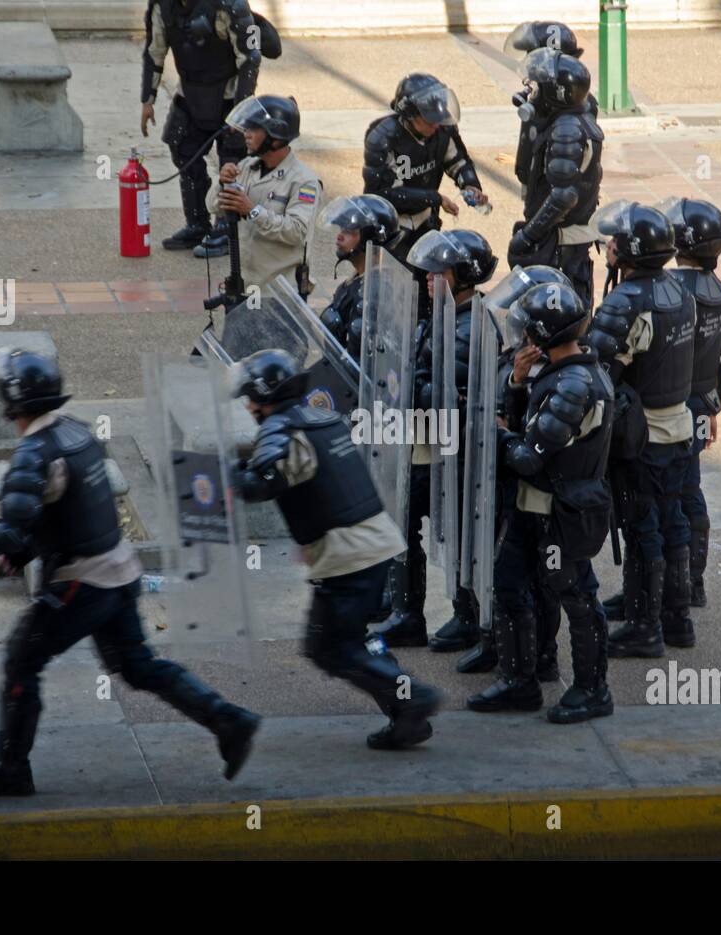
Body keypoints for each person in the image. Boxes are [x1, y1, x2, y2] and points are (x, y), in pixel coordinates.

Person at [0, 350, 260, 795]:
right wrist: (23, 551)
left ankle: (10, 769)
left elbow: (14, 529)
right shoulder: (77, 431)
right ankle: (229, 720)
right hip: (120, 572)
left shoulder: (34, 454)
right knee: (139, 666)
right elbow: (65, 512)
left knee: (22, 661)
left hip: (83, 583)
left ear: (12, 404)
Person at [230, 350, 443, 749]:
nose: (248, 404)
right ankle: (407, 717)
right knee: (355, 642)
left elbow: (262, 482)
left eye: (251, 396)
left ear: (266, 394)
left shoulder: (281, 428)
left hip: (348, 555)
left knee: (329, 648)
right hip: (372, 541)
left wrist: (223, 475)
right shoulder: (318, 417)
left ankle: (414, 697)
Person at [467, 283, 615, 722]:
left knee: (576, 596)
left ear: (542, 333)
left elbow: (530, 458)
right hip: (534, 510)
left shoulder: (573, 385)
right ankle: (521, 680)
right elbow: (530, 425)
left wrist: (494, 433)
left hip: (558, 516)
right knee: (510, 585)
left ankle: (593, 689)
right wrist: (514, 382)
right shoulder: (559, 370)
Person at [375, 229, 497, 650]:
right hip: (428, 442)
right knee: (408, 522)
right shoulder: (446, 315)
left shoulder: (467, 328)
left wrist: (411, 385)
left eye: (437, 273)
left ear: (462, 275)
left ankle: (464, 616)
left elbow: (447, 395)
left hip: (452, 450)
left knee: (456, 531)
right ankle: (411, 614)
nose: (427, 280)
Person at [586, 202, 699, 659]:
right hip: (679, 429)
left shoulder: (625, 302)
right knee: (673, 525)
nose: (607, 248)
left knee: (642, 528)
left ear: (630, 251)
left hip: (643, 438)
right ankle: (676, 618)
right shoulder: (681, 292)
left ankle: (644, 627)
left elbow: (598, 371)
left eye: (613, 242)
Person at [660, 198, 721, 609]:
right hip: (701, 404)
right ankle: (694, 581)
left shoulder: (671, 291)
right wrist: (713, 408)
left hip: (670, 407)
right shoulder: (720, 293)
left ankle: (666, 589)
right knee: (691, 491)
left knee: (664, 499)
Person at [141, 0, 263, 253]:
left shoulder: (228, 5)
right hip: (190, 93)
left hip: (228, 95)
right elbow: (155, 51)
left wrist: (242, 111)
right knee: (182, 150)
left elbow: (250, 57)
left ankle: (227, 229)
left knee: (232, 161)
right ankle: (197, 223)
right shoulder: (163, 6)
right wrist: (147, 99)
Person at [505, 47, 603, 308]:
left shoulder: (566, 130)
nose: (532, 91)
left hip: (561, 246)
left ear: (555, 93)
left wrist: (528, 236)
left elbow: (563, 196)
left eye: (538, 87)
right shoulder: (577, 109)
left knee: (554, 312)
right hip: (566, 243)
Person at [206, 95, 322, 314]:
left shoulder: (304, 181)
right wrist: (222, 183)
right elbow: (213, 207)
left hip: (279, 296)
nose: (246, 135)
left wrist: (252, 211)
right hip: (244, 286)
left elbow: (297, 232)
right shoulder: (247, 167)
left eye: (254, 129)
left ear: (276, 137)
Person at [363, 74, 488, 266]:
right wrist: (435, 198)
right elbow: (385, 194)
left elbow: (459, 162)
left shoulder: (442, 130)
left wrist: (471, 185)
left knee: (428, 282)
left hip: (425, 223)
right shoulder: (382, 138)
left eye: (439, 118)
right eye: (429, 119)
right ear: (410, 115)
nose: (436, 125)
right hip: (390, 226)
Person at [317, 194, 401, 368]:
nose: (339, 236)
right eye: (341, 228)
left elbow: (361, 363)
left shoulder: (375, 289)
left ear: (370, 240)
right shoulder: (359, 279)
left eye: (349, 231)